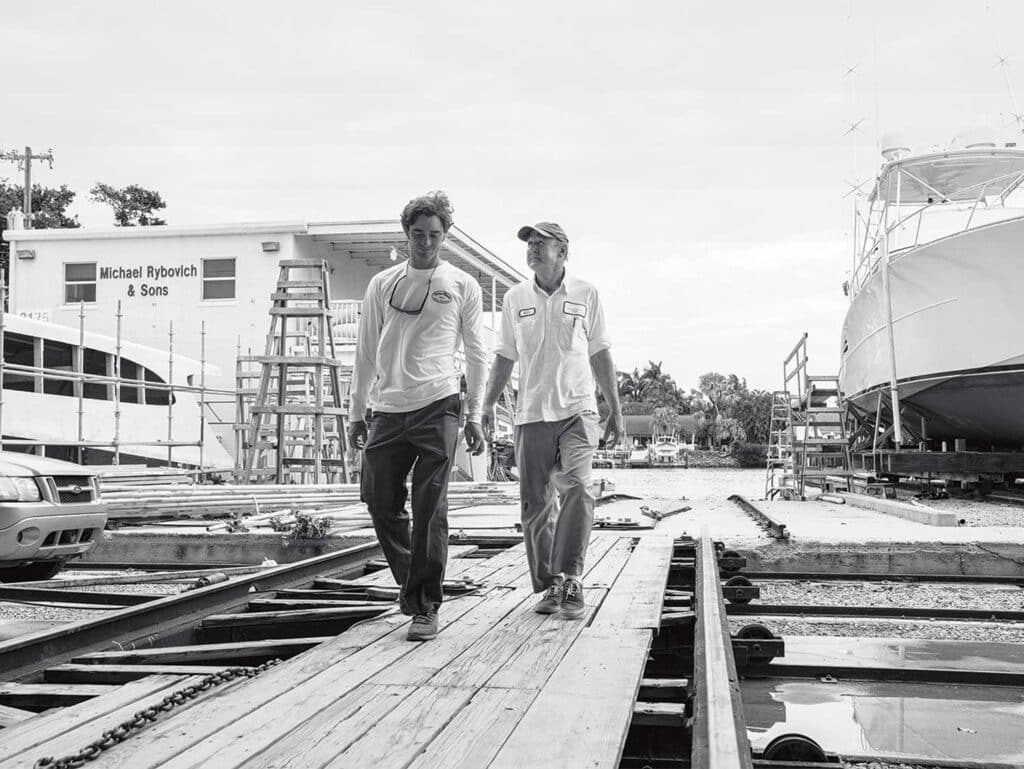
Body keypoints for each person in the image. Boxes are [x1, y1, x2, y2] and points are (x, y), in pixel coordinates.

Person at [347, 191, 487, 642]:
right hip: (387, 409)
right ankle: (414, 584)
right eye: (418, 234)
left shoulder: (463, 285)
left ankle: (425, 605)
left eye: (435, 235)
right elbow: (366, 350)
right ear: (406, 235)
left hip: (438, 405)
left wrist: (475, 415)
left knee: (431, 507)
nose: (426, 242)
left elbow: (478, 354)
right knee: (378, 499)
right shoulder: (382, 284)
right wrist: (356, 412)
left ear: (445, 237)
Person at [482, 221, 622, 619]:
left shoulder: (586, 293)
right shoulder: (514, 298)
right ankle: (551, 585)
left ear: (563, 251)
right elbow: (505, 356)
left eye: (541, 243)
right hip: (531, 413)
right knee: (536, 506)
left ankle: (572, 577)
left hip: (578, 410)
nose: (533, 249)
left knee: (578, 487)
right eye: (530, 244)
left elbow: (600, 352)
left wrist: (616, 407)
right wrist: (487, 405)